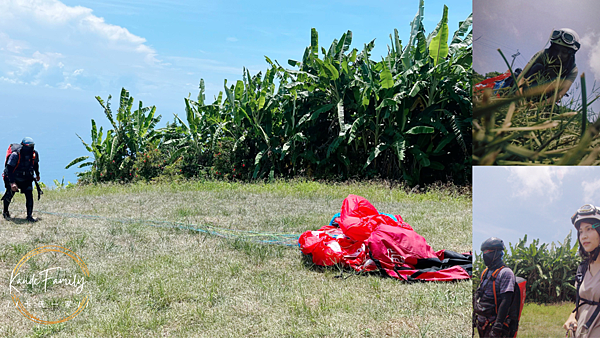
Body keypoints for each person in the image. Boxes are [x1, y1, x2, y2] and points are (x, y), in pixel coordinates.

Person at [564, 204, 600, 338]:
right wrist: (572, 316)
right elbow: (581, 302)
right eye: (580, 232)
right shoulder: (583, 268)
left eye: (589, 229)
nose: (583, 236)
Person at [518, 28, 580, 104]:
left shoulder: (572, 69)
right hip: (527, 89)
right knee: (538, 67)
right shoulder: (542, 54)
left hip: (546, 97)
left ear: (570, 54)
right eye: (556, 50)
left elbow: (562, 91)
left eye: (564, 52)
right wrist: (519, 95)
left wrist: (540, 105)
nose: (558, 55)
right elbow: (522, 75)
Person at [474, 237, 516, 337]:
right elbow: (480, 293)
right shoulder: (486, 272)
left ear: (497, 253)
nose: (485, 255)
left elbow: (506, 301)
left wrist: (497, 326)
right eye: (483, 252)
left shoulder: (506, 273)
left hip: (494, 325)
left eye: (488, 251)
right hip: (482, 323)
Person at [2, 137, 40, 222]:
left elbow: (35, 165)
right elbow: (9, 169)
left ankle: (29, 216)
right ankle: (5, 212)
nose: (30, 148)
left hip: (26, 178)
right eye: (28, 146)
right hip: (14, 178)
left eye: (32, 146)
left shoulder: (34, 154)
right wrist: (12, 183)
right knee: (9, 194)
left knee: (29, 195)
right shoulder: (15, 155)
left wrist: (37, 174)